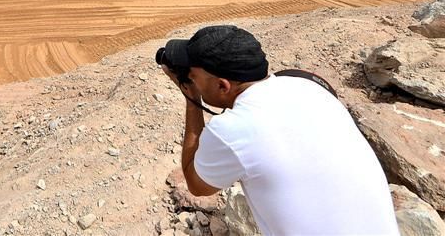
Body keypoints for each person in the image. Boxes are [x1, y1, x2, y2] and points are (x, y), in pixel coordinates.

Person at [159, 25, 399, 236]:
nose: (191, 78)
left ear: (223, 85)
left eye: (193, 76)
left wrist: (191, 98)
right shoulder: (310, 87)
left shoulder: (231, 129)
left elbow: (197, 185)